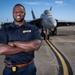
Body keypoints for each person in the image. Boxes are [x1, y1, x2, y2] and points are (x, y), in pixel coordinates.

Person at [0, 4, 42, 75]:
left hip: (28, 69)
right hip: (9, 70)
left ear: (24, 13)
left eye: (21, 12)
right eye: (15, 12)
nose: (18, 14)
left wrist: (14, 43)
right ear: (13, 14)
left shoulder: (33, 28)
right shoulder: (5, 29)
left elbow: (36, 45)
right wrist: (27, 47)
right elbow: (1, 50)